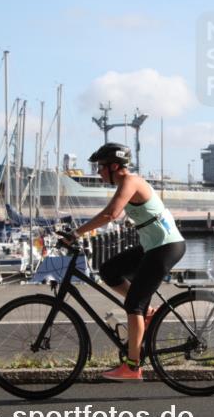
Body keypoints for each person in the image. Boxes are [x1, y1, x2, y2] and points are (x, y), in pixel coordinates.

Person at [65, 142, 185, 381]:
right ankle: (147, 313)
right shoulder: (125, 183)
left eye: (101, 167)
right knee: (109, 271)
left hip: (165, 247)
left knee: (133, 305)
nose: (98, 172)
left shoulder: (131, 182)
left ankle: (132, 367)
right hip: (153, 246)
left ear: (115, 166)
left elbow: (111, 214)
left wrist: (76, 233)